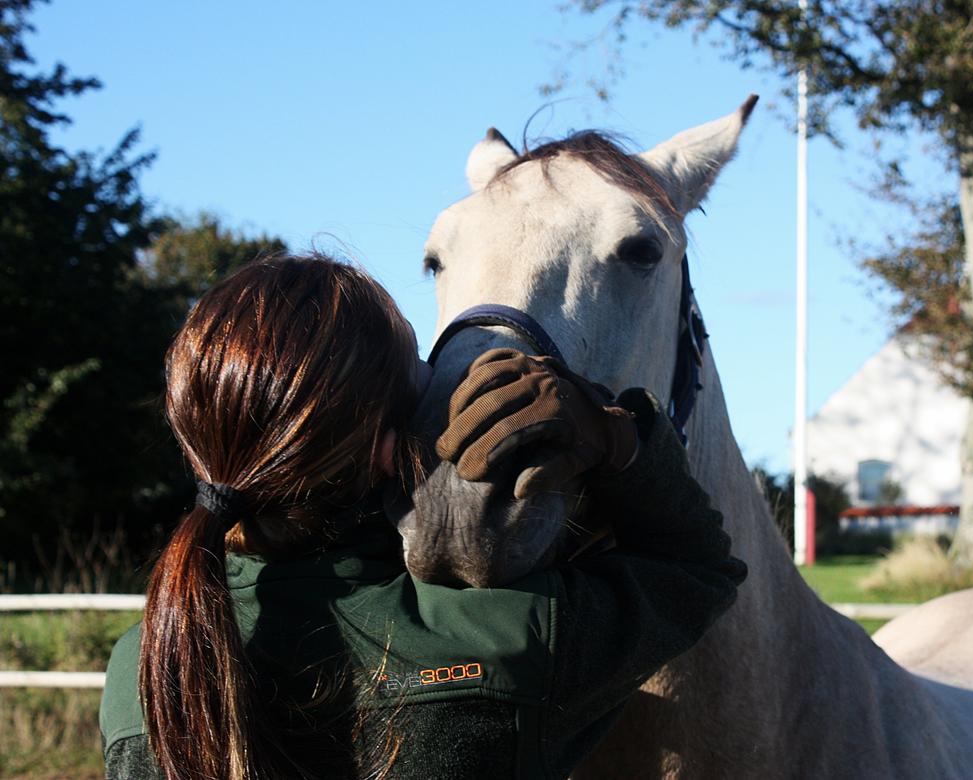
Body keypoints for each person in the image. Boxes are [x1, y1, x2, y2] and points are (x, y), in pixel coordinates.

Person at [100, 253, 746, 780]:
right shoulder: (513, 636)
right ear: (387, 447)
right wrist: (614, 435)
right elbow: (698, 567)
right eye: (424, 380)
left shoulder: (146, 662)